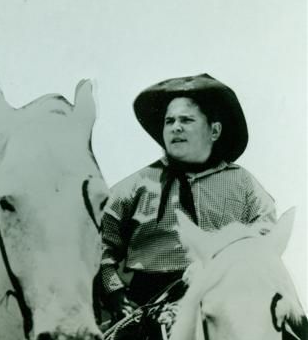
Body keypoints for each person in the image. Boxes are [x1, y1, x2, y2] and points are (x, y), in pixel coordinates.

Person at [99, 74, 276, 321]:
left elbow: (266, 239)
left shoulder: (244, 184)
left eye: (186, 120)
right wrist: (116, 296)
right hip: (148, 306)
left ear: (214, 130)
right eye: (169, 121)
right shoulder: (133, 188)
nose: (176, 127)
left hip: (226, 301)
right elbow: (101, 250)